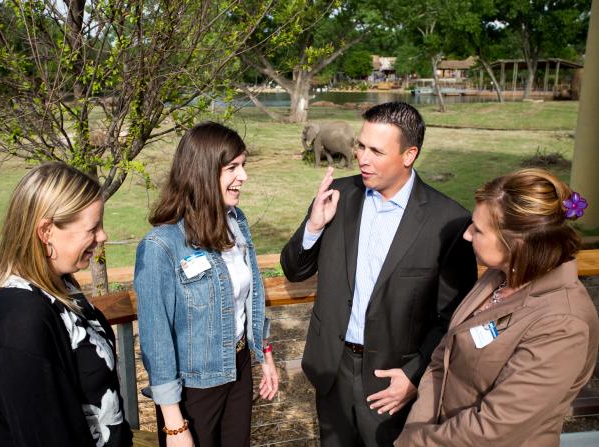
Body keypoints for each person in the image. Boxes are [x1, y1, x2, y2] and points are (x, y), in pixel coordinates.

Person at [281, 101, 477, 446]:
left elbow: (454, 316)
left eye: (376, 150)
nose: (362, 158)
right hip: (332, 370)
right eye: (360, 145)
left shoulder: (450, 222)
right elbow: (295, 270)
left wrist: (414, 375)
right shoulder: (339, 196)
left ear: (409, 154)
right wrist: (313, 226)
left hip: (393, 382)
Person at [396, 168, 599, 446]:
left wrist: (414, 443)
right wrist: (417, 427)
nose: (467, 235)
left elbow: (494, 428)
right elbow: (444, 355)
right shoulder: (499, 275)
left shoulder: (563, 324)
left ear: (517, 245)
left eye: (478, 230)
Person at [134, 121, 278, 447]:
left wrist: (264, 354)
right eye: (232, 168)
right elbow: (157, 341)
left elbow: (248, 299)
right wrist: (174, 425)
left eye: (243, 166)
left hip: (238, 370)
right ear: (202, 171)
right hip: (195, 387)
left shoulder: (235, 222)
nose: (243, 176)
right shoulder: (162, 245)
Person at [0, 162, 136, 446]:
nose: (103, 236)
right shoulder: (19, 320)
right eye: (93, 227)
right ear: (46, 231)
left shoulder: (62, 286)